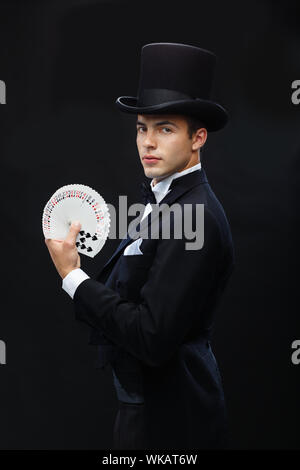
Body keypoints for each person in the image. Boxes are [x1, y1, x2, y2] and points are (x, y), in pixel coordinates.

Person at [45, 42, 235, 450]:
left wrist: (73, 277)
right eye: (141, 128)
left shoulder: (194, 216)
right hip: (144, 411)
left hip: (176, 423)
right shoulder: (161, 201)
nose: (148, 142)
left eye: (165, 128)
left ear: (198, 137)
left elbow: (151, 337)